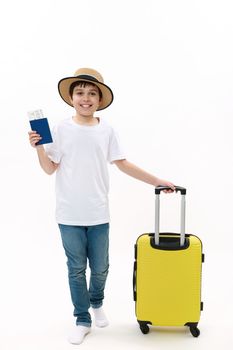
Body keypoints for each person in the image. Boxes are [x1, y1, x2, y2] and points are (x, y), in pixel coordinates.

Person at [28, 68, 175, 345]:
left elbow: (122, 163)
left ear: (100, 99)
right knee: (75, 268)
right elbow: (50, 169)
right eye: (80, 92)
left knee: (100, 267)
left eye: (92, 93)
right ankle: (82, 318)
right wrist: (38, 147)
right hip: (68, 214)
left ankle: (96, 301)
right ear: (71, 97)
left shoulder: (107, 130)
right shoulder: (59, 128)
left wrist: (156, 180)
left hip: (98, 213)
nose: (86, 98)